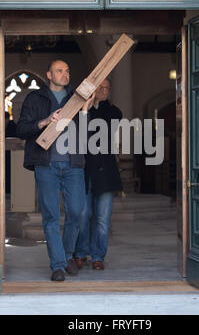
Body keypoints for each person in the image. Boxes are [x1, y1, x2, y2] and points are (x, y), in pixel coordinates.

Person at [17, 60, 94, 282]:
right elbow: (22, 129)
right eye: (60, 71)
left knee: (78, 212)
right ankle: (58, 264)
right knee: (50, 216)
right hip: (45, 163)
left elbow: (87, 135)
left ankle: (67, 254)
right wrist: (44, 122)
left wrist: (86, 110)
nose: (65, 74)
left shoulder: (77, 99)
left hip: (73, 164)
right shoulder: (35, 98)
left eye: (68, 70)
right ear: (49, 74)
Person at [74, 78, 123, 270]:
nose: (102, 90)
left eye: (106, 88)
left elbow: (97, 133)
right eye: (99, 87)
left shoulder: (114, 112)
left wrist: (87, 111)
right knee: (83, 216)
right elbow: (78, 135)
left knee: (102, 219)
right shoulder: (79, 111)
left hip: (105, 173)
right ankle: (80, 253)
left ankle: (98, 256)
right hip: (82, 172)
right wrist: (85, 108)